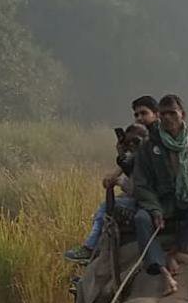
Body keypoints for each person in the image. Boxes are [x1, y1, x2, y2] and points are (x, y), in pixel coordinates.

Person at [64, 97, 159, 263]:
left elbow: (142, 182)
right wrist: (118, 167)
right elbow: (131, 165)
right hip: (144, 195)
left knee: (105, 209)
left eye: (144, 113)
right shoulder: (144, 140)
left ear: (156, 114)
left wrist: (120, 180)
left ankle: (90, 249)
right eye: (136, 114)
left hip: (151, 200)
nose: (139, 118)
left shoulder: (155, 143)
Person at [133, 94, 188, 295]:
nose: (168, 118)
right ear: (158, 116)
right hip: (160, 201)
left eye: (172, 113)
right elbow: (141, 184)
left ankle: (175, 251)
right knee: (141, 218)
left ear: (182, 115)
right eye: (163, 114)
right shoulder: (149, 145)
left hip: (186, 200)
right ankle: (161, 268)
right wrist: (155, 209)